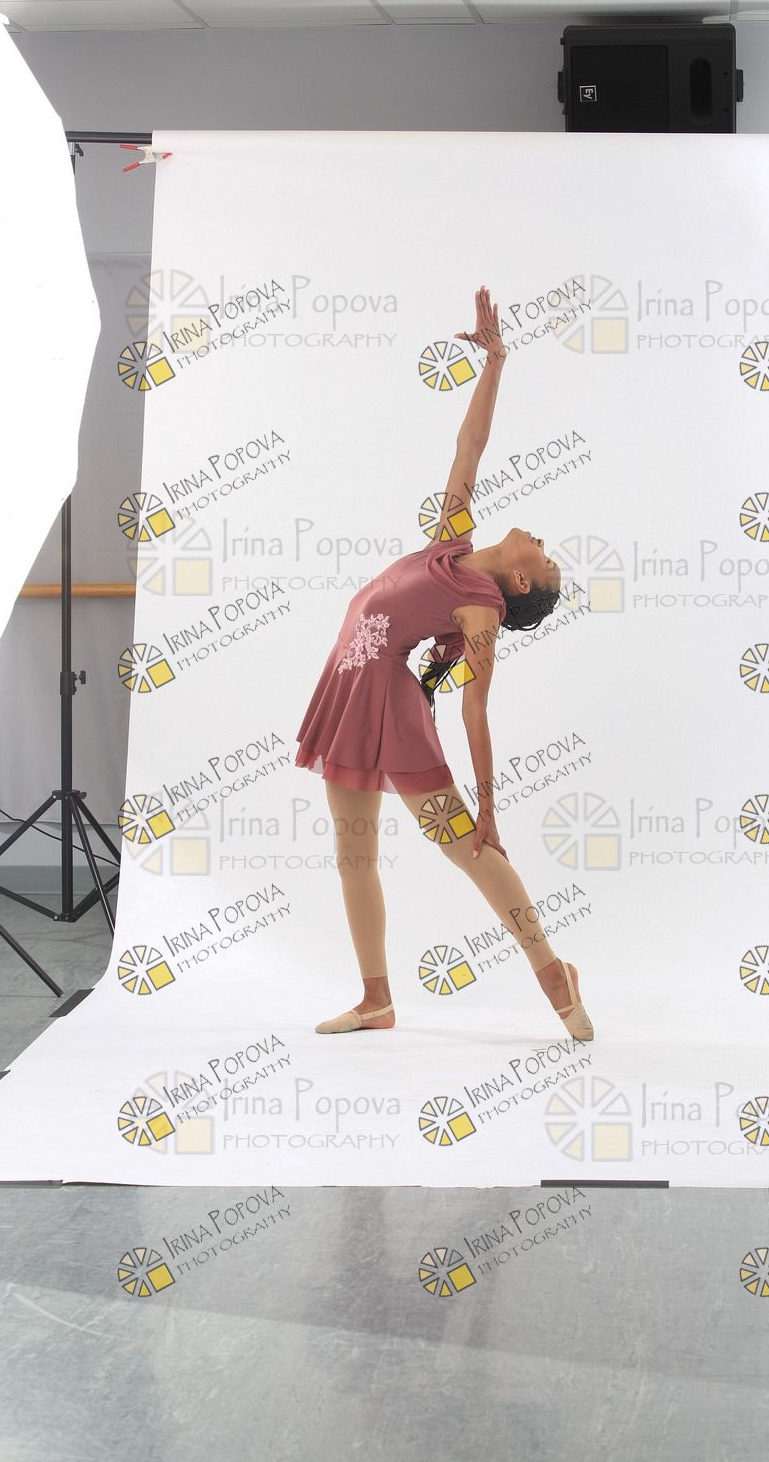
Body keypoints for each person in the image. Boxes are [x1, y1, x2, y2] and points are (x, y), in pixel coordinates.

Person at [294, 286, 593, 1041]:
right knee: (353, 854)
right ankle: (376, 1000)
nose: (541, 543)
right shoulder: (452, 542)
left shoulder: (480, 607)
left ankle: (552, 973)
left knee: (469, 849)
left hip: (391, 713)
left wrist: (488, 804)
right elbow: (471, 445)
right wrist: (495, 362)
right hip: (347, 697)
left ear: (518, 581)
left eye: (545, 559)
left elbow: (474, 706)